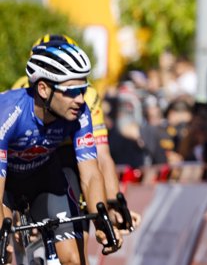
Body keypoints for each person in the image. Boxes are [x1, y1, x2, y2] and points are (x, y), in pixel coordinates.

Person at [1, 41, 122, 263]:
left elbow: (91, 174)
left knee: (73, 260)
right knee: (5, 254)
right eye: (71, 92)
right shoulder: (9, 112)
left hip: (44, 179)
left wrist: (101, 222)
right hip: (5, 183)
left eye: (83, 90)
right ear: (44, 89)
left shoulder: (80, 113)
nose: (79, 99)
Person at [12, 34, 141, 231]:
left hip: (67, 156)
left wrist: (113, 204)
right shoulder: (23, 88)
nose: (77, 96)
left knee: (74, 180)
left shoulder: (87, 96)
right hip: (26, 160)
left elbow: (102, 156)